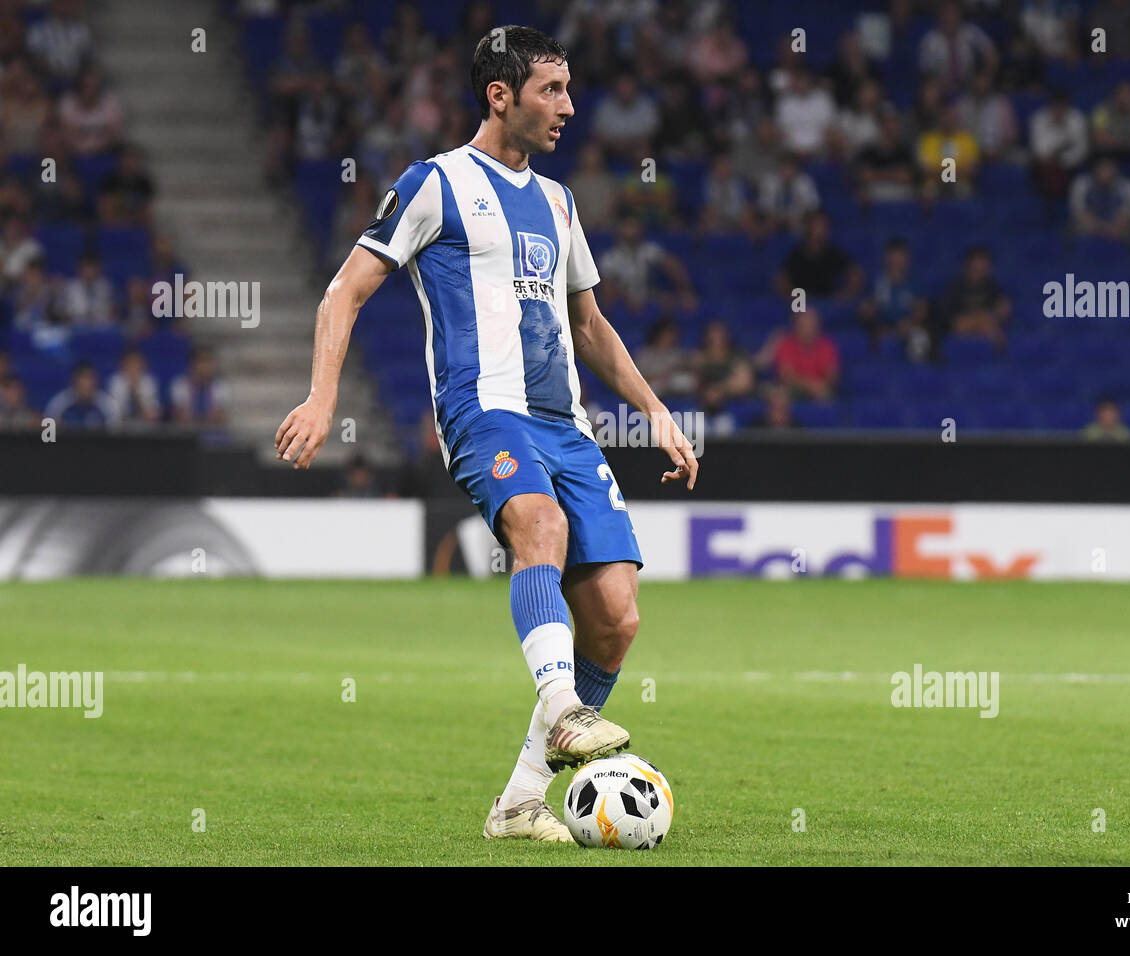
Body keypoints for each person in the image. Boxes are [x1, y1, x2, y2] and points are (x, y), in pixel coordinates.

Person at [274, 26, 697, 843]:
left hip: (563, 424)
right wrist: (323, 398)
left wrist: (655, 412)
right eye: (551, 90)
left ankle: (519, 799)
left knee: (615, 617)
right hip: (482, 409)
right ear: (500, 95)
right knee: (540, 524)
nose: (569, 107)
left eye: (570, 90)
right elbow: (343, 292)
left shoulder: (560, 201)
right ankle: (564, 707)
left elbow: (589, 323)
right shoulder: (435, 184)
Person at [757, 306, 840, 401]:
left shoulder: (826, 345)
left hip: (820, 391)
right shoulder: (787, 343)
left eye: (811, 324)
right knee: (779, 394)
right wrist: (811, 386)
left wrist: (820, 385)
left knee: (826, 395)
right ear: (796, 325)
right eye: (804, 324)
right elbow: (786, 376)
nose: (808, 328)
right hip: (794, 391)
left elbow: (832, 376)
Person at [44, 361, 117, 429]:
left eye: (90, 378)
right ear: (73, 381)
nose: (86, 384)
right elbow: (48, 436)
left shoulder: (109, 406)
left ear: (96, 381)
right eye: (82, 378)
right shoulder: (58, 404)